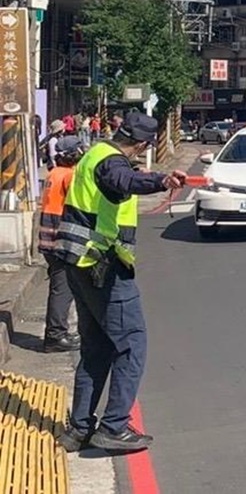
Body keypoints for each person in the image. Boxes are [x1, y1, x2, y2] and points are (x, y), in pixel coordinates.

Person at [55, 112, 186, 453]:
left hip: (79, 263)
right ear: (142, 145)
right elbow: (123, 180)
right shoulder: (112, 163)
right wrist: (162, 181)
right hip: (104, 267)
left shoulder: (94, 153)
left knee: (96, 347)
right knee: (132, 344)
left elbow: (122, 179)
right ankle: (114, 426)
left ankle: (79, 429)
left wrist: (151, 178)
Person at [37, 136, 86, 353]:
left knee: (60, 285)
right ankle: (55, 336)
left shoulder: (54, 173)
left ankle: (58, 332)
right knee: (63, 288)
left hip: (48, 235)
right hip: (61, 237)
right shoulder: (70, 176)